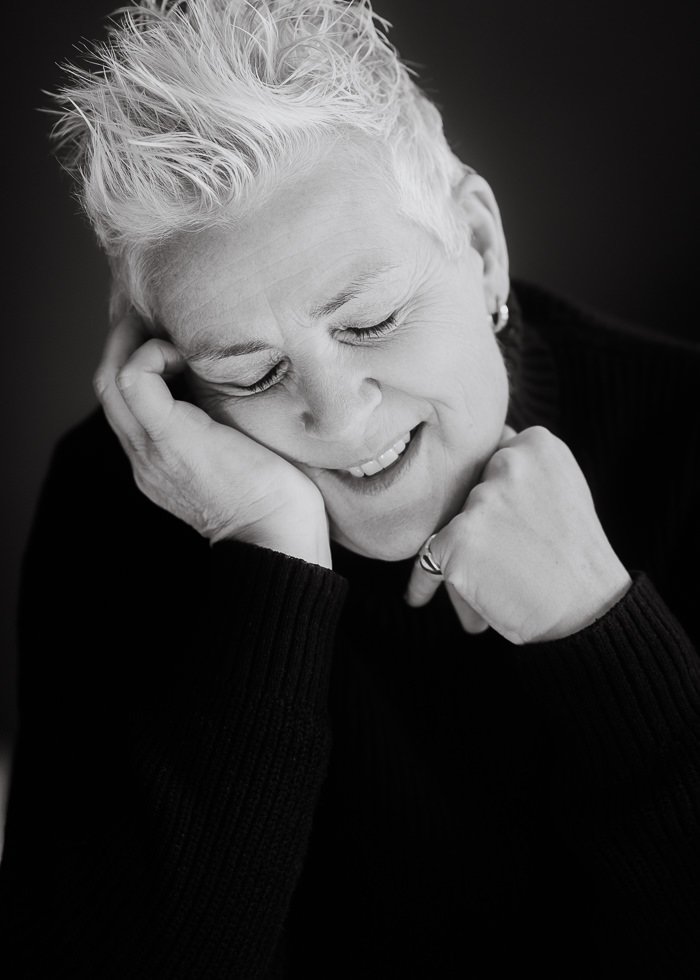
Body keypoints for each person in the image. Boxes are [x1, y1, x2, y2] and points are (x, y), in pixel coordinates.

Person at [1, 0, 698, 976]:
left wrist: (598, 630)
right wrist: (266, 560)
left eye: (369, 321)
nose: (334, 416)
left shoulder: (685, 442)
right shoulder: (112, 504)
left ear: (480, 248)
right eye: (251, 373)